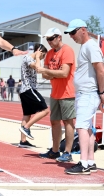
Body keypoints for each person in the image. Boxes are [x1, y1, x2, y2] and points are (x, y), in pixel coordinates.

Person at [63, 19, 104, 175]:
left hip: (89, 93)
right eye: (70, 33)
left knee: (81, 126)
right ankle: (91, 162)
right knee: (87, 128)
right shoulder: (86, 46)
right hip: (86, 93)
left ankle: (84, 163)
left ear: (83, 30)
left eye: (73, 32)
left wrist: (102, 93)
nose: (71, 36)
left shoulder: (91, 46)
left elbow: (101, 71)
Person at [36, 28, 76, 163]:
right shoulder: (49, 54)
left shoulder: (67, 50)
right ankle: (54, 150)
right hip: (55, 93)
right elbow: (44, 74)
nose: (49, 42)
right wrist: (52, 72)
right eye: (47, 39)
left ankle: (68, 152)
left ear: (59, 37)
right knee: (54, 122)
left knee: (68, 122)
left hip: (67, 92)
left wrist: (48, 71)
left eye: (51, 38)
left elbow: (65, 73)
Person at [18, 44, 50, 148]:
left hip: (25, 90)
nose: (42, 57)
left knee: (27, 115)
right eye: (43, 55)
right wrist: (37, 57)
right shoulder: (28, 58)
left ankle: (23, 141)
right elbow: (37, 68)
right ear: (38, 51)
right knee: (45, 110)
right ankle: (26, 127)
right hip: (28, 89)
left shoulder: (29, 59)